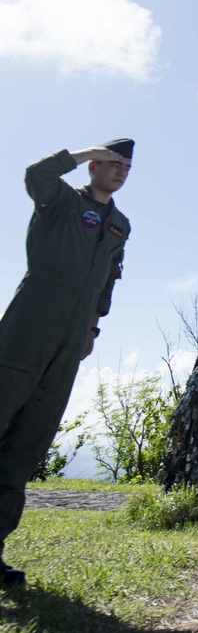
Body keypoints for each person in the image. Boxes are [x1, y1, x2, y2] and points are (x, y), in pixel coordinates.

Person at [0, 140, 133, 584]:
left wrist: (92, 328)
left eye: (126, 167)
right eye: (114, 163)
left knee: (29, 439)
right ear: (94, 165)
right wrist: (81, 152)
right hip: (33, 318)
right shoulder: (60, 199)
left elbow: (109, 279)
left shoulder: (119, 224)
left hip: (73, 335)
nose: (121, 172)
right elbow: (35, 174)